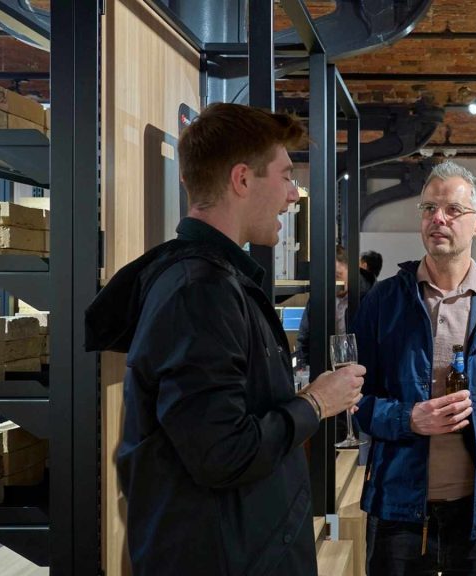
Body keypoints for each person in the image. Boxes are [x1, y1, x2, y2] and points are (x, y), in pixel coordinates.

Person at [84, 104, 366, 576]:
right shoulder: (201, 291)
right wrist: (315, 404)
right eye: (285, 175)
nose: (293, 194)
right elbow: (222, 454)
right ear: (242, 180)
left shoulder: (211, 281)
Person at [354, 161, 476, 575]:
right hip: (397, 509)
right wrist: (409, 418)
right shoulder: (383, 303)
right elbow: (357, 401)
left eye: (452, 210)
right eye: (428, 209)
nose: (437, 218)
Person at [295, 245, 372, 366]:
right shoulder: (318, 298)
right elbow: (304, 338)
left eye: (337, 275)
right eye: (327, 277)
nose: (332, 282)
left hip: (360, 369)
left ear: (351, 271)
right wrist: (303, 368)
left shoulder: (368, 298)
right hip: (325, 368)